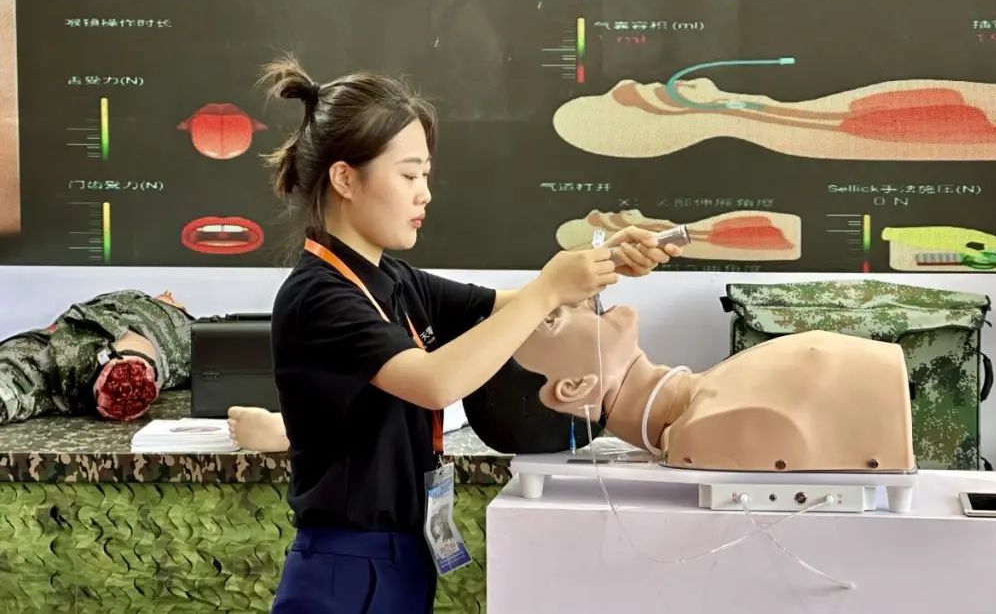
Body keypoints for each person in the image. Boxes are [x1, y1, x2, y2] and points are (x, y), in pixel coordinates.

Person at [259, 52, 682, 614]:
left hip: (401, 556)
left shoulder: (394, 278)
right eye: (409, 175)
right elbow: (435, 382)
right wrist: (548, 291)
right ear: (345, 178)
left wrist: (606, 262)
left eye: (426, 175)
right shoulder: (320, 296)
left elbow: (517, 310)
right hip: (346, 567)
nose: (424, 193)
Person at [0, 289, 192, 424]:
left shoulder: (186, 325)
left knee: (134, 346)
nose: (169, 294)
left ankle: (127, 374)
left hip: (109, 350)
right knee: (17, 368)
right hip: (62, 336)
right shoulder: (130, 296)